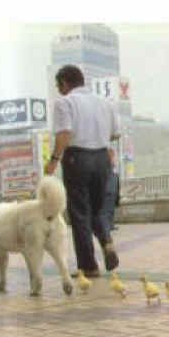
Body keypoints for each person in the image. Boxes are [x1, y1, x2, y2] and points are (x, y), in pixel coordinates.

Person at [45, 65, 120, 277]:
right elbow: (116, 134)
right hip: (102, 159)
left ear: (65, 83)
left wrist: (53, 160)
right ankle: (106, 241)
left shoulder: (65, 102)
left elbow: (65, 134)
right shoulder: (106, 103)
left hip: (77, 158)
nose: (58, 90)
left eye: (58, 85)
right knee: (97, 210)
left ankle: (89, 266)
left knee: (80, 213)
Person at [95, 148, 120, 235]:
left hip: (112, 190)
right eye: (113, 157)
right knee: (106, 211)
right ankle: (106, 229)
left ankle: (110, 225)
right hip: (107, 190)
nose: (115, 159)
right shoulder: (106, 167)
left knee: (110, 210)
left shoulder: (113, 172)